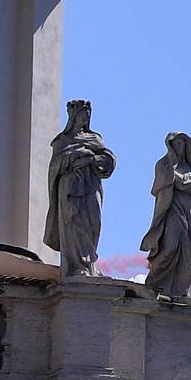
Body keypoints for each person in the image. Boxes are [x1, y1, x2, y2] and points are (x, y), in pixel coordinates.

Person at [142, 132, 191, 297]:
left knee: (189, 252)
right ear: (170, 145)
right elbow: (177, 180)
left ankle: (181, 290)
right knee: (170, 246)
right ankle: (156, 284)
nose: (179, 147)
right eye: (176, 143)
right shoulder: (164, 165)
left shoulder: (190, 169)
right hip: (173, 211)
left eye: (182, 144)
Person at [43, 99, 115, 276]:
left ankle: (89, 263)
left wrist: (92, 159)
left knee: (94, 221)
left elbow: (109, 160)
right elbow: (55, 166)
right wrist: (75, 155)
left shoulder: (95, 139)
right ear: (74, 117)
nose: (86, 118)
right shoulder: (62, 141)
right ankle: (78, 266)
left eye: (88, 115)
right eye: (83, 114)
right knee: (73, 224)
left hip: (91, 186)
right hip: (70, 189)